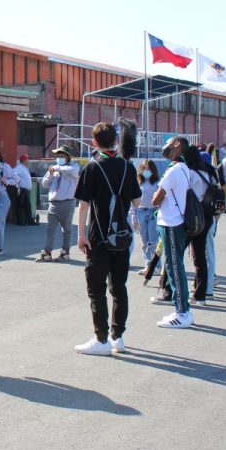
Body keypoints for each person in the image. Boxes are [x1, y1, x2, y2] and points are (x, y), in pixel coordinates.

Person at [74, 123, 142, 355]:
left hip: (98, 237)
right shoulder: (127, 167)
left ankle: (100, 338)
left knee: (96, 289)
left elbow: (83, 206)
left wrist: (81, 235)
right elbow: (137, 202)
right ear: (115, 141)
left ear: (94, 142)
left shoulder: (92, 168)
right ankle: (118, 337)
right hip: (122, 237)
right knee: (119, 287)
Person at [151, 136, 195, 328]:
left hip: (171, 223)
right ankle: (181, 309)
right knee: (175, 265)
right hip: (177, 222)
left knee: (174, 267)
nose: (166, 146)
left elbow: (155, 199)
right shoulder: (184, 169)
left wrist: (157, 196)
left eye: (169, 143)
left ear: (177, 145)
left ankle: (182, 312)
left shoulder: (174, 170)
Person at [186, 150, 224, 305]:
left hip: (194, 218)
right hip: (209, 217)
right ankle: (202, 292)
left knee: (192, 255)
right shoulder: (211, 174)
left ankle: (201, 290)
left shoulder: (191, 174)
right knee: (203, 255)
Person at [36, 146, 79, 262]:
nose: (59, 158)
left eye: (61, 155)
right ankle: (47, 252)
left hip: (67, 203)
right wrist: (50, 174)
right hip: (54, 203)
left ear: (67, 157)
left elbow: (73, 171)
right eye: (58, 156)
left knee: (67, 229)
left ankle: (65, 252)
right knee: (50, 229)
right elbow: (44, 184)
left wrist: (57, 168)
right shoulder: (53, 170)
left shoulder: (73, 167)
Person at [130, 160, 160, 276]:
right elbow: (133, 202)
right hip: (141, 211)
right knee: (144, 241)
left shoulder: (157, 183)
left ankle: (156, 266)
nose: (146, 171)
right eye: (144, 169)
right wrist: (134, 217)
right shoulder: (138, 183)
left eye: (149, 169)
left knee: (153, 241)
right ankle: (147, 264)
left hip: (153, 212)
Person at [13, 154, 33, 226]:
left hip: (25, 190)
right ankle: (20, 221)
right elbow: (13, 173)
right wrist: (17, 182)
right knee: (20, 206)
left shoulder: (25, 168)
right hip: (21, 189)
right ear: (24, 161)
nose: (29, 161)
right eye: (28, 159)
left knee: (27, 205)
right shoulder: (19, 168)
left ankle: (30, 221)